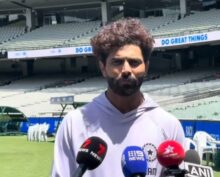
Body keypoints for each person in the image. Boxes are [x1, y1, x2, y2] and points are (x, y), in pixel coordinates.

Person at [51, 18, 185, 177]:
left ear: (146, 67)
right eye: (117, 62)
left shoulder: (168, 125)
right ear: (103, 67)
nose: (127, 69)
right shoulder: (74, 123)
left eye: (134, 62)